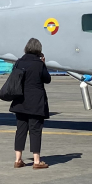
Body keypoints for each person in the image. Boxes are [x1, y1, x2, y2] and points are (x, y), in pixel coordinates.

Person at [10, 37, 53, 169]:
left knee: (20, 130)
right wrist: (43, 64)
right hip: (36, 102)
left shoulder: (18, 62)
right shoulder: (39, 64)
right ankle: (36, 161)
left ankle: (18, 159)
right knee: (35, 130)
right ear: (39, 50)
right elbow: (47, 79)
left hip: (20, 101)